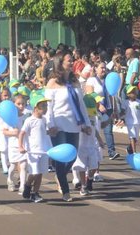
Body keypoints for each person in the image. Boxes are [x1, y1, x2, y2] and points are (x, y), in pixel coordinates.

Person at [45, 53, 91, 201]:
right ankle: (65, 191)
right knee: (61, 158)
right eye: (69, 60)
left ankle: (60, 176)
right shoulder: (52, 82)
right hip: (59, 125)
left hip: (74, 124)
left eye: (72, 60)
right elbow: (48, 106)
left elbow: (81, 105)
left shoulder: (75, 81)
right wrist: (50, 125)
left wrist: (86, 124)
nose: (72, 62)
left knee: (72, 157)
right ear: (60, 63)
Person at [18, 94, 52, 203]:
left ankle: (35, 193)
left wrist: (50, 132)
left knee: (40, 173)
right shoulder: (29, 120)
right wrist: (21, 146)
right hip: (33, 152)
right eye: (43, 106)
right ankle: (27, 185)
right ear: (35, 108)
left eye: (46, 106)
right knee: (34, 173)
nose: (45, 108)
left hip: (43, 150)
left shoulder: (44, 120)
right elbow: (22, 133)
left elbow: (43, 133)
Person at [86, 62, 120, 160]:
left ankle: (111, 151)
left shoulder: (108, 80)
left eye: (105, 68)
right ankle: (92, 153)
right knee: (95, 131)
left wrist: (115, 108)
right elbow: (90, 93)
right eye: (101, 68)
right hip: (95, 109)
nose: (103, 70)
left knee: (108, 130)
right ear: (95, 69)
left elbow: (111, 94)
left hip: (107, 108)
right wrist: (99, 104)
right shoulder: (92, 80)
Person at [72, 93, 104, 196]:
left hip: (92, 145)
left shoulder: (94, 116)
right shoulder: (79, 118)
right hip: (81, 146)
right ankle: (83, 186)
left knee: (94, 166)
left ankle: (89, 179)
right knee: (82, 167)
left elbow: (95, 130)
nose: (90, 114)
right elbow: (76, 129)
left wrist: (99, 140)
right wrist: (84, 129)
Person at [3, 94, 27, 194]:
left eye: (23, 104)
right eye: (18, 104)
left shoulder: (27, 116)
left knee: (24, 165)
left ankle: (22, 186)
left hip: (24, 144)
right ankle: (9, 179)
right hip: (13, 145)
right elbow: (4, 131)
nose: (21, 106)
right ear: (13, 104)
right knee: (12, 166)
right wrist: (13, 133)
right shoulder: (9, 117)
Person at [119, 86, 140, 154]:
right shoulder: (126, 102)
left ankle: (130, 148)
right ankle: (134, 152)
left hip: (137, 122)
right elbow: (123, 111)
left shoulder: (139, 101)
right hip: (129, 122)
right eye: (132, 92)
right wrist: (121, 118)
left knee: (136, 138)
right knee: (132, 136)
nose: (134, 94)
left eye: (135, 92)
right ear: (128, 94)